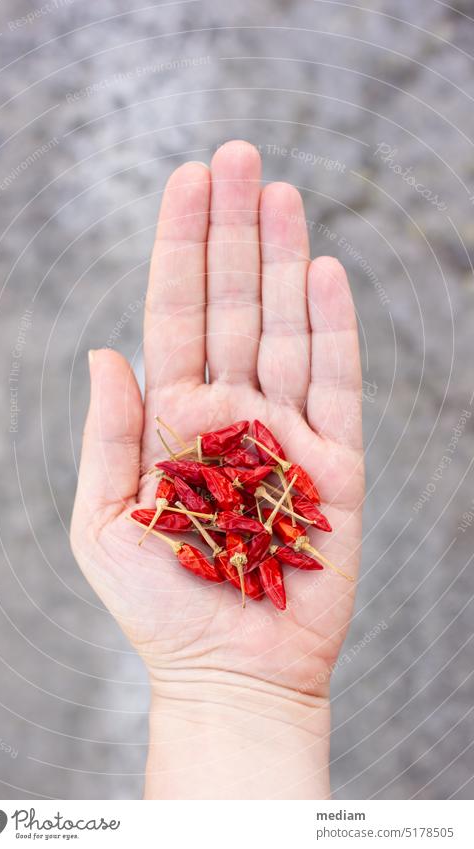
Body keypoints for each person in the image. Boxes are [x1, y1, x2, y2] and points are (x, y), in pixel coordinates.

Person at [70, 140, 364, 799]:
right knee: (237, 516)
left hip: (243, 521)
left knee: (246, 516)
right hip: (232, 536)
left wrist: (235, 698)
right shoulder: (219, 507)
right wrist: (233, 695)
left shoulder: (250, 505)